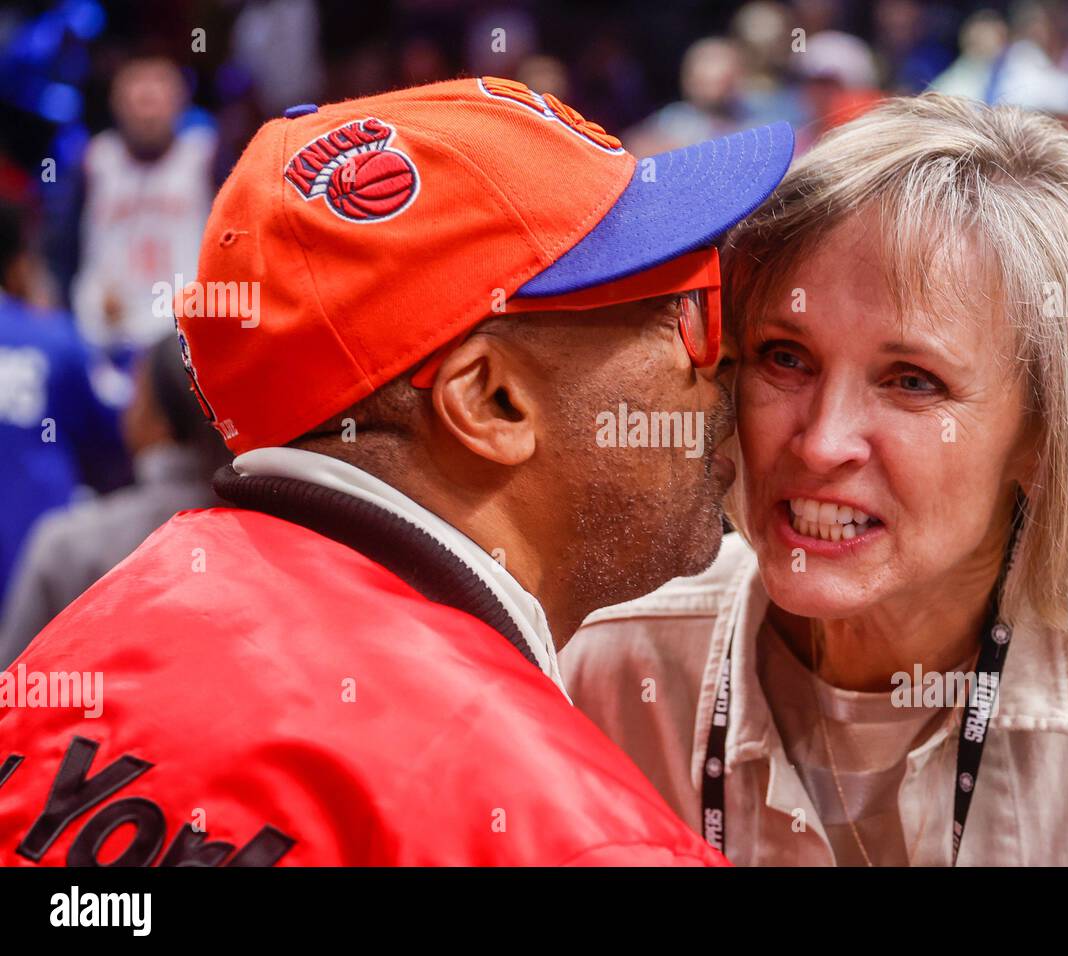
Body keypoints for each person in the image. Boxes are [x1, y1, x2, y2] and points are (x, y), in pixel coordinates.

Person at [0, 77, 794, 866]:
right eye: (687, 308)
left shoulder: (68, 654)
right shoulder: (582, 840)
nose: (725, 361)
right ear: (493, 402)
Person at [561, 93, 1068, 866]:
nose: (821, 442)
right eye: (785, 356)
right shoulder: (614, 663)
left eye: (912, 381)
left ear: (1047, 433)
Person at [0, 335, 229, 662]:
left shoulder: (69, 546)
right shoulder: (278, 534)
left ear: (157, 420)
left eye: (136, 393)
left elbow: (10, 690)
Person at [0, 201, 127, 609]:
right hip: (37, 586)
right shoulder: (55, 340)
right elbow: (116, 440)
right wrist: (119, 343)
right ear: (20, 264)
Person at [69, 56, 216, 365]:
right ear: (115, 102)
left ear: (181, 101)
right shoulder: (93, 160)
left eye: (159, 89)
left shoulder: (206, 157)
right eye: (137, 92)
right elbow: (60, 248)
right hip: (106, 335)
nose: (147, 101)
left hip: (184, 340)